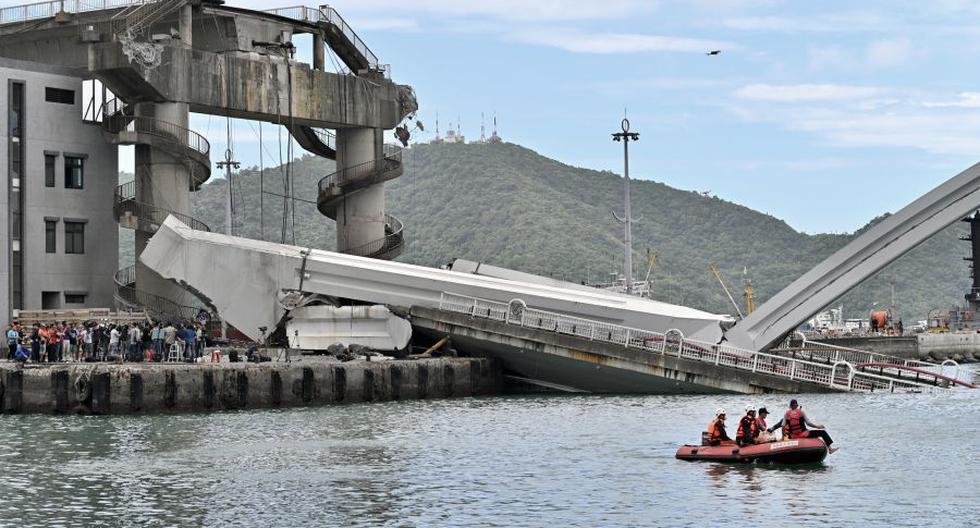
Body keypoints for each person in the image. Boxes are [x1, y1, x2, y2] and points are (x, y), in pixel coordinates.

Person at [769, 399, 838, 453]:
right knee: (822, 432)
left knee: (808, 433)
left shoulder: (786, 414)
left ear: (790, 406)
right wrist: (818, 426)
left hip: (793, 436)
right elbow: (808, 423)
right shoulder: (801, 412)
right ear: (797, 406)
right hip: (804, 434)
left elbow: (782, 425)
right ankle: (830, 449)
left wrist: (783, 436)